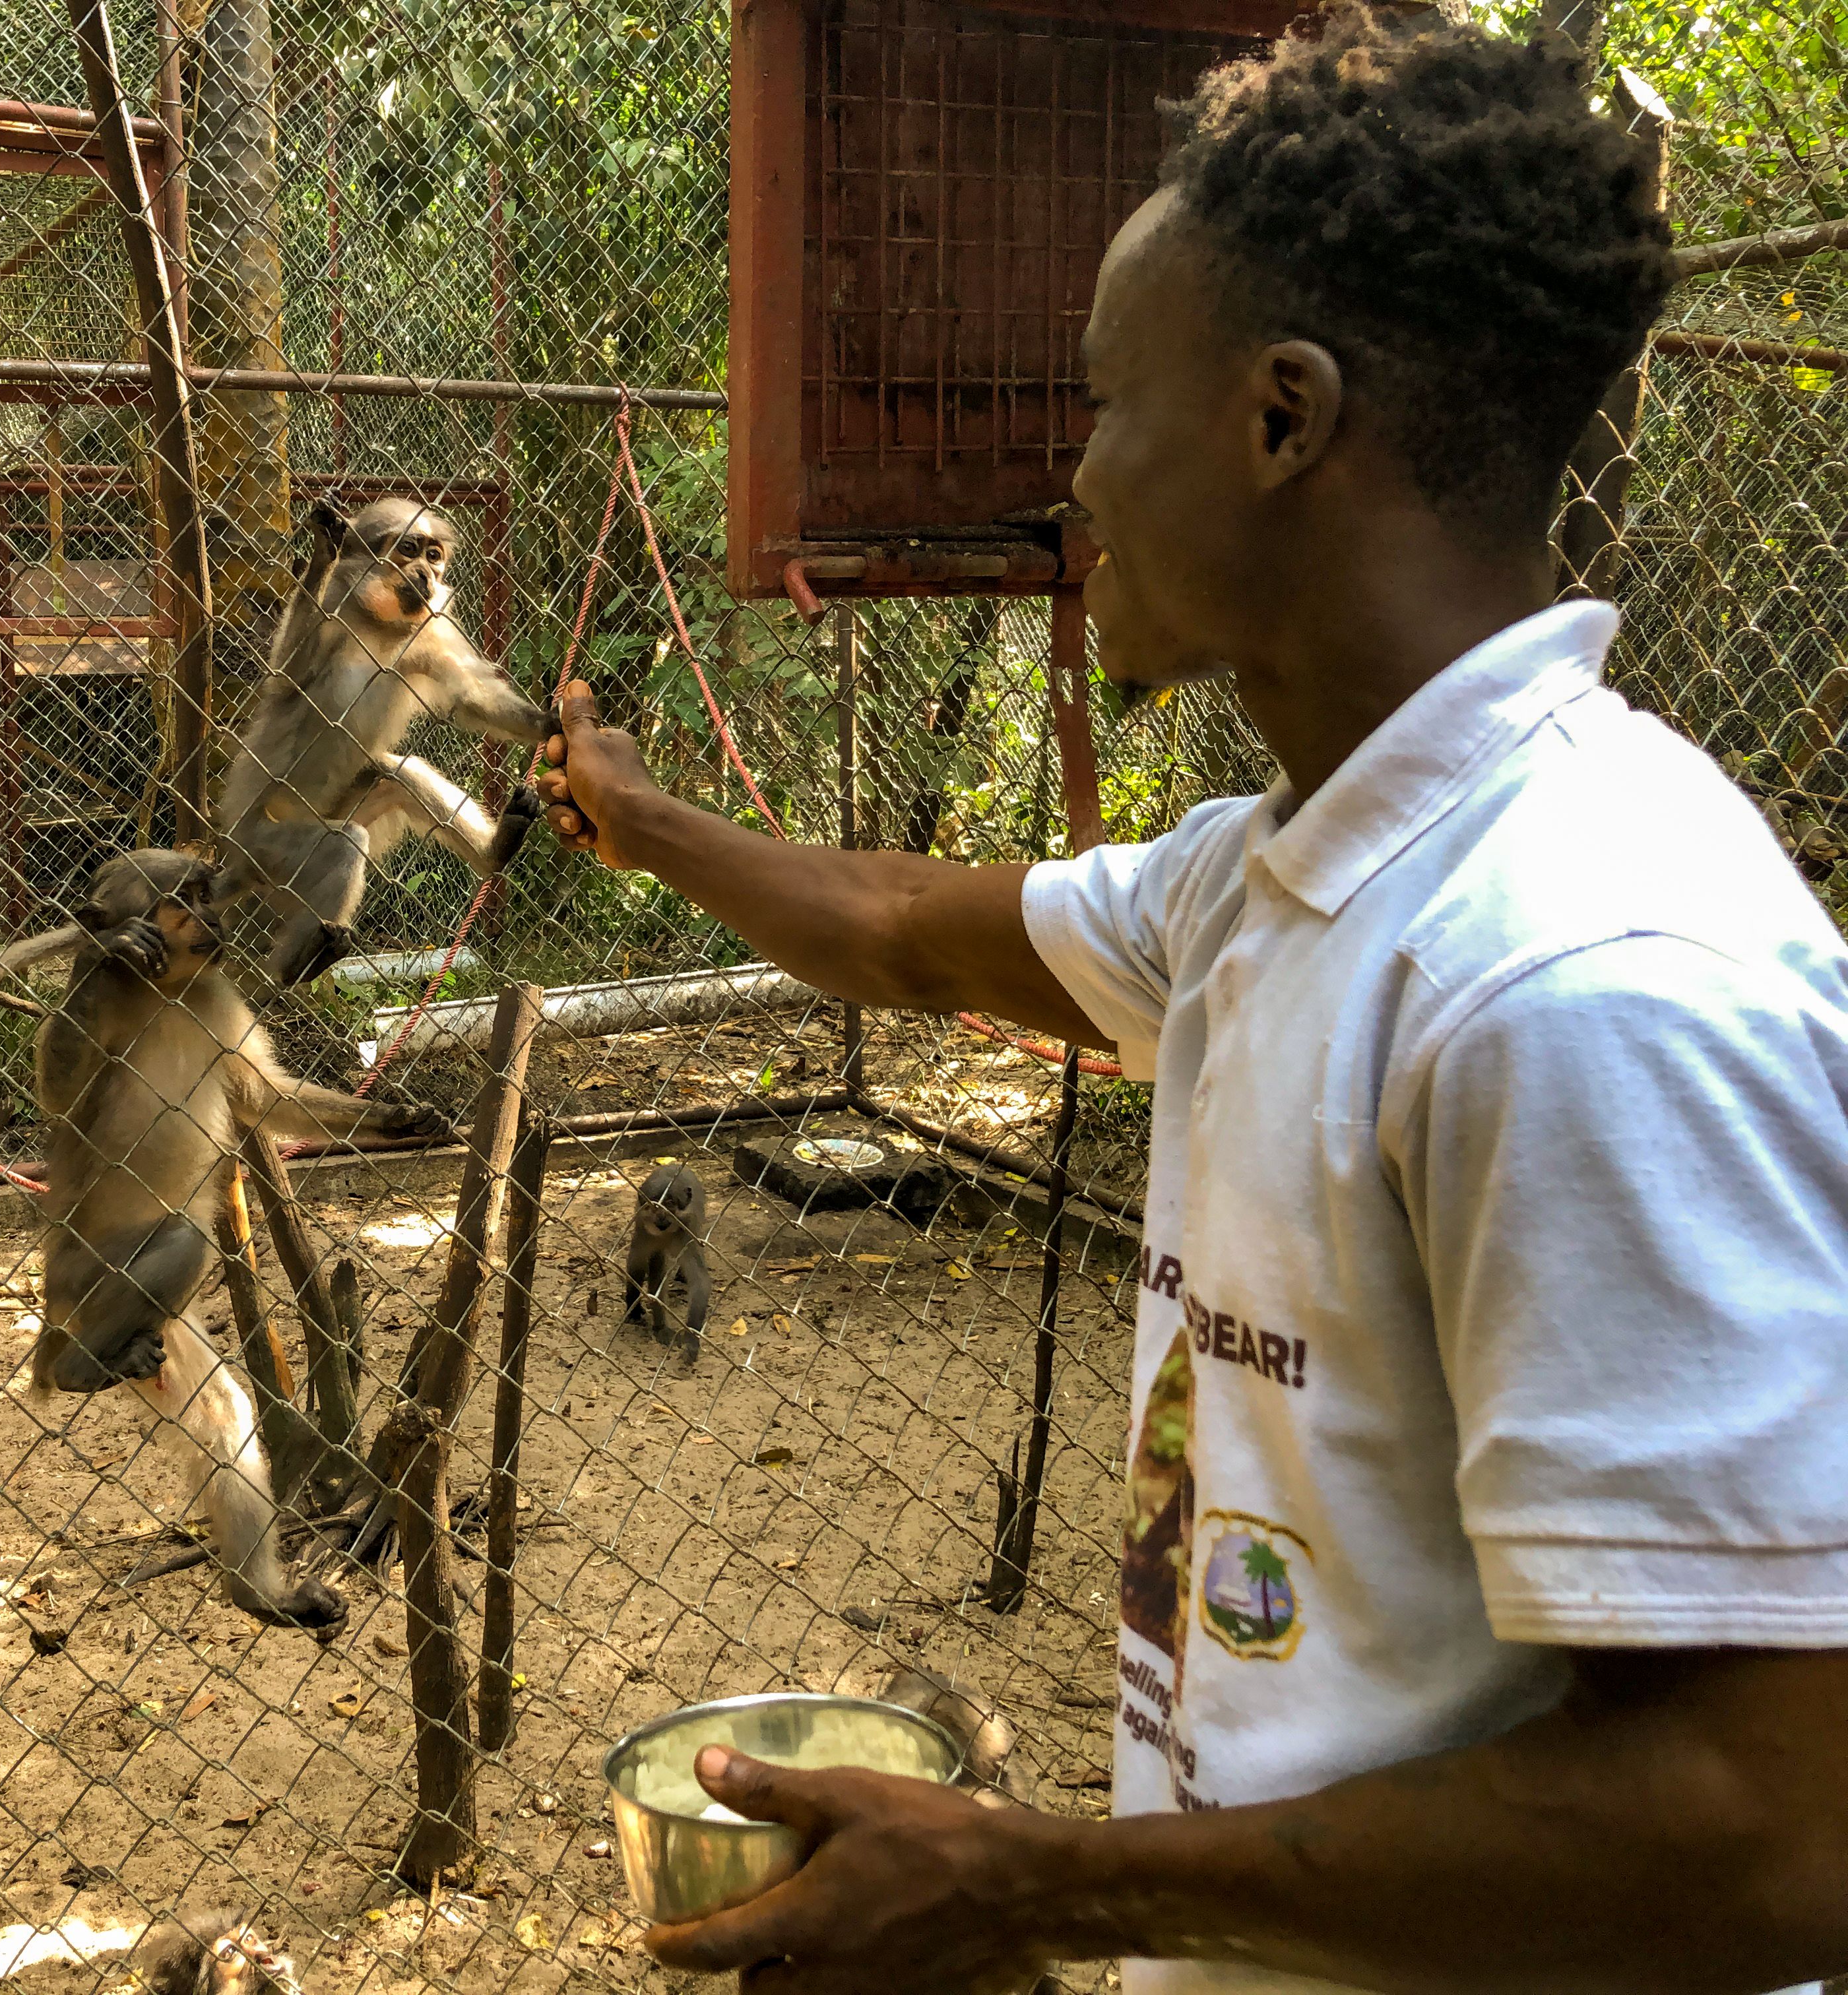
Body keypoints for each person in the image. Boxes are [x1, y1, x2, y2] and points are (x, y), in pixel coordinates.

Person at [536, 9, 1848, 1992]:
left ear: (1277, 420)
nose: (1076, 476)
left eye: (1100, 404)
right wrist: (644, 823)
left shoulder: (1582, 979)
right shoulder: (1274, 876)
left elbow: (1767, 1839)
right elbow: (901, 926)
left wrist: (1041, 1885)